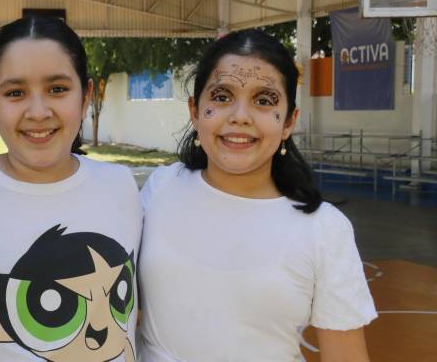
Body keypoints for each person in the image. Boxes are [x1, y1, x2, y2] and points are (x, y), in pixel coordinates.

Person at [137, 30, 377, 361]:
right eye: (221, 96)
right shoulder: (160, 188)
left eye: (264, 100)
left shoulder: (324, 230)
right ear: (194, 111)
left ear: (290, 121)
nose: (240, 116)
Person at [0, 16, 143, 361]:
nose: (38, 111)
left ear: (87, 94)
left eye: (57, 89)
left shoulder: (120, 186)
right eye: (15, 93)